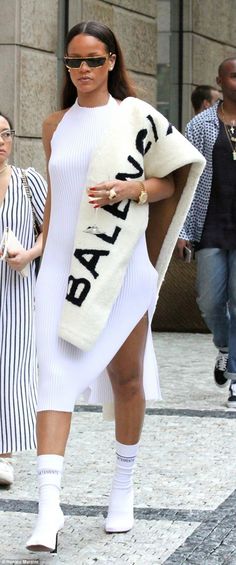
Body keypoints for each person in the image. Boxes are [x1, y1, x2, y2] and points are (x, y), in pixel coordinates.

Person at [26, 20, 205, 553]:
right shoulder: (55, 124)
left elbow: (171, 180)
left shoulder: (137, 118)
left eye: (91, 60)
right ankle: (48, 507)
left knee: (127, 379)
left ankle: (122, 487)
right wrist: (38, 249)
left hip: (119, 269)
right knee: (53, 377)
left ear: (110, 62)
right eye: (73, 62)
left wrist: (132, 187)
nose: (81, 70)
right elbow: (58, 199)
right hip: (63, 268)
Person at [178, 56, 236, 407]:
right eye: (234, 75)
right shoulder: (200, 126)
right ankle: (225, 345)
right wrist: (183, 228)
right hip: (211, 225)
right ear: (219, 80)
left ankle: (234, 377)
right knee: (211, 300)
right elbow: (187, 180)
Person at [0, 112, 47, 486]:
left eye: (6, 134)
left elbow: (54, 228)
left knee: (14, 367)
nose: (1, 141)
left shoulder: (28, 183)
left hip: (16, 290)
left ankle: (4, 454)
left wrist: (29, 254)